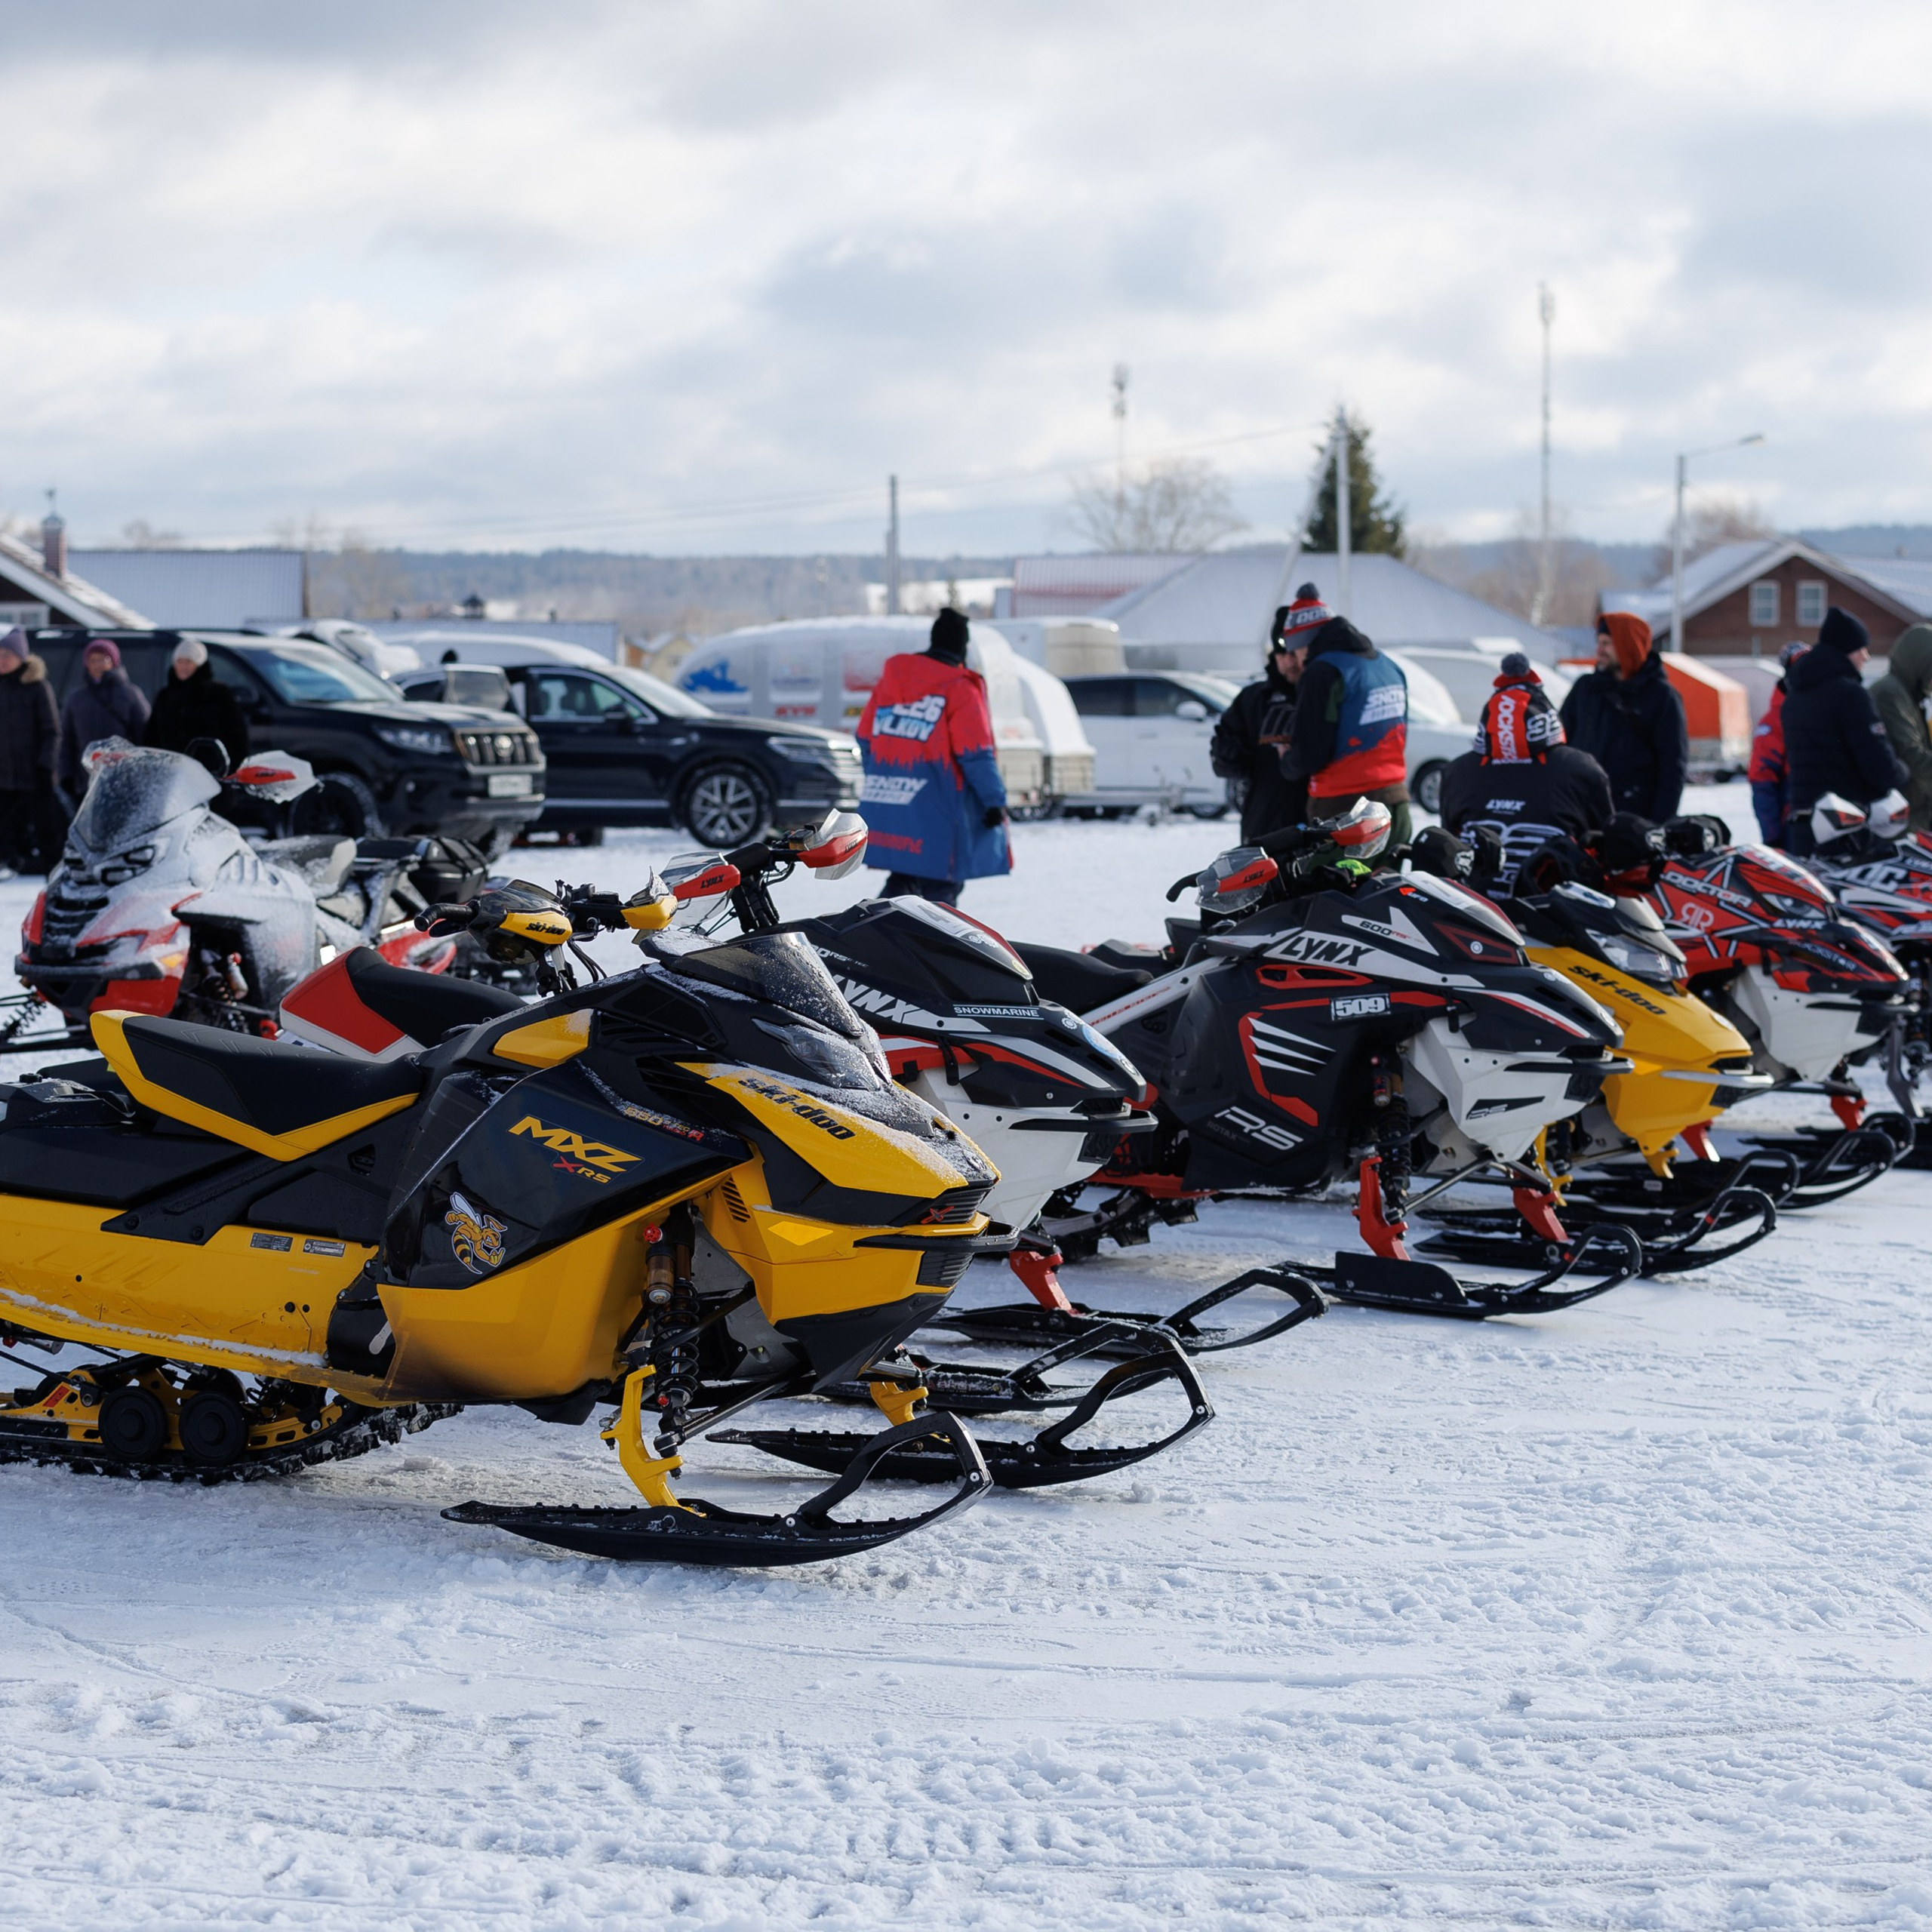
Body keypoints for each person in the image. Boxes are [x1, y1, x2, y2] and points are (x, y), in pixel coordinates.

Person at [854, 607, 1010, 905]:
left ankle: (870, 939)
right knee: (941, 893)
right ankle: (931, 949)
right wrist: (994, 802)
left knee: (902, 882)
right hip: (940, 813)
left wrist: (886, 778)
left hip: (895, 809)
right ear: (962, 646)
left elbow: (865, 738)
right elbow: (975, 754)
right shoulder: (959, 688)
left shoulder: (892, 681)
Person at [1438, 653, 1614, 891]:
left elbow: (1446, 845)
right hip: (1552, 917)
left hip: (1476, 915)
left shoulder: (1457, 772)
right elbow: (1605, 846)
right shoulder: (1582, 769)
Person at [1278, 590, 1412, 846]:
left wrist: (1287, 759)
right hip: (1397, 806)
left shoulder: (1323, 672)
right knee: (1386, 886)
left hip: (1345, 813)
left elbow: (1312, 752)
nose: (1296, 660)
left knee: (1334, 886)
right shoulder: (1388, 666)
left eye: (1294, 651)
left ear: (1306, 642)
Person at [1782, 606, 1909, 853]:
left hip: (1804, 826)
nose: (1867, 657)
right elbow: (1879, 766)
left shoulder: (1794, 697)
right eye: (1862, 649)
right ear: (1848, 651)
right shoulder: (1850, 695)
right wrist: (1903, 772)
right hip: (1847, 828)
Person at [1209, 585, 1318, 841]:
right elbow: (1224, 759)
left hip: (1317, 825)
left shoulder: (1321, 696)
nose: (1289, 662)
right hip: (1265, 828)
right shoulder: (1254, 700)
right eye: (1282, 654)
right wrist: (1227, 756)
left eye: (1295, 653)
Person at [1558, 612, 1688, 821]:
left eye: (1607, 643)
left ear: (1628, 645)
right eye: (1599, 643)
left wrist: (1657, 826)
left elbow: (1673, 768)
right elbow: (1559, 745)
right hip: (1579, 811)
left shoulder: (1662, 696)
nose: (1599, 650)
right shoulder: (1585, 688)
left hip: (1632, 819)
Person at [0, 627, 65, 878]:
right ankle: (10, 864)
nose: (3, 660)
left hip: (35, 774)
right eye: (0, 655)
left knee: (48, 830)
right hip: (4, 776)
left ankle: (56, 875)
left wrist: (45, 766)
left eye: (8, 655)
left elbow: (52, 731)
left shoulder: (37, 687)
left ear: (21, 657)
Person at [58, 636, 152, 802]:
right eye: (93, 660)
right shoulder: (76, 698)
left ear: (114, 662)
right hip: (85, 780)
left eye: (104, 659)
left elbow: (146, 734)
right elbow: (67, 741)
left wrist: (141, 770)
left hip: (123, 779)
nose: (97, 664)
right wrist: (66, 775)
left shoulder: (130, 694)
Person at [143, 637, 249, 772]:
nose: (183, 667)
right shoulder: (165, 696)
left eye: (188, 662)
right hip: (172, 773)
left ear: (198, 664)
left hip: (210, 774)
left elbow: (237, 736)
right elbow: (151, 737)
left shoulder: (219, 694)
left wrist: (234, 769)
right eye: (179, 662)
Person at [1869, 622, 1932, 835]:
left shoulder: (1910, 695)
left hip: (1912, 812)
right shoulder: (1891, 693)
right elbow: (1910, 752)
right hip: (1902, 816)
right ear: (1921, 662)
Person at [1746, 641, 1806, 845]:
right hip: (1791, 829)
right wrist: (1773, 837)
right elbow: (1762, 780)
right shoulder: (1774, 721)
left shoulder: (1827, 712)